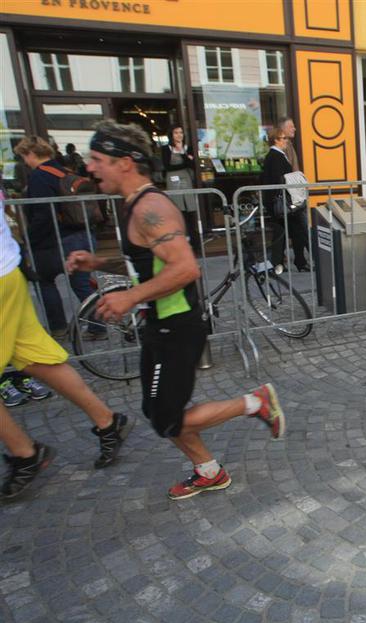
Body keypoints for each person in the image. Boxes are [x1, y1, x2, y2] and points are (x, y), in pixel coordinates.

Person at [67, 120, 287, 500]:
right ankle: (209, 471)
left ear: (125, 163)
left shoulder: (150, 208)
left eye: (97, 159)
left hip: (177, 326)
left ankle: (256, 403)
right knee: (157, 411)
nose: (89, 167)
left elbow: (185, 268)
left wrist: (130, 297)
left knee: (166, 419)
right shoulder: (133, 205)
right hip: (160, 325)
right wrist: (98, 264)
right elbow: (146, 263)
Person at [1, 193, 133, 500]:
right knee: (37, 359)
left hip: (3, 274)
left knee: (37, 359)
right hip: (7, 271)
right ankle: (107, 422)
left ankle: (24, 453)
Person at [14, 135, 101, 340]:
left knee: (45, 280)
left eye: (24, 156)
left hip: (58, 238)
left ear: (31, 154)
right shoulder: (64, 171)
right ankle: (99, 326)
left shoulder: (39, 176)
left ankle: (58, 327)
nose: (25, 161)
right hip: (82, 233)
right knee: (82, 283)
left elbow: (43, 213)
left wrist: (29, 239)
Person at [261, 128, 310, 273]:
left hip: (279, 202)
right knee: (295, 231)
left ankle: (282, 263)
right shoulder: (275, 156)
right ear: (275, 140)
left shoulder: (275, 155)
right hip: (282, 202)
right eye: (284, 138)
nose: (287, 141)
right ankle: (296, 262)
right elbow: (280, 179)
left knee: (284, 233)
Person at [161, 125, 200, 247]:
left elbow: (192, 165)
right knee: (178, 209)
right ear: (171, 135)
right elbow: (167, 166)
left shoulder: (188, 148)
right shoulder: (166, 148)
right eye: (176, 133)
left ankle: (194, 241)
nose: (179, 135)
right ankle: (180, 239)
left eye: (181, 132)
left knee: (189, 210)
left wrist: (182, 152)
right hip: (173, 181)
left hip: (186, 180)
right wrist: (185, 162)